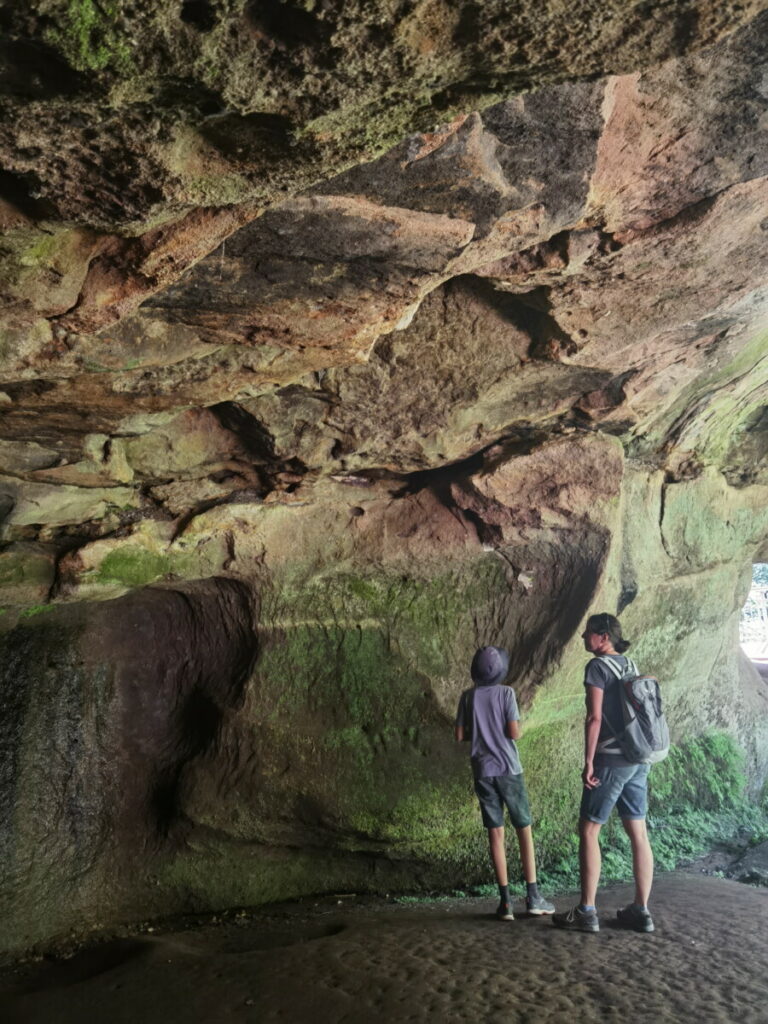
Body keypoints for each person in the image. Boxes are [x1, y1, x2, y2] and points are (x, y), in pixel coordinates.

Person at [552, 612, 655, 934]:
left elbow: (594, 718)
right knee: (638, 832)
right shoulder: (630, 665)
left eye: (588, 634)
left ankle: (587, 911)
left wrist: (589, 761)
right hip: (638, 759)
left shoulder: (597, 667)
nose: (584, 637)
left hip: (611, 760)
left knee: (589, 831)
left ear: (604, 636)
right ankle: (640, 910)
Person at [455, 645, 555, 921]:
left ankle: (506, 903)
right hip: (509, 769)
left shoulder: (467, 697)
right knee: (523, 828)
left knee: (495, 833)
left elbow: (460, 735)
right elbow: (514, 732)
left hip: (483, 771)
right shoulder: (507, 693)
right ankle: (534, 897)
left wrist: (480, 732)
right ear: (500, 671)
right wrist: (513, 729)